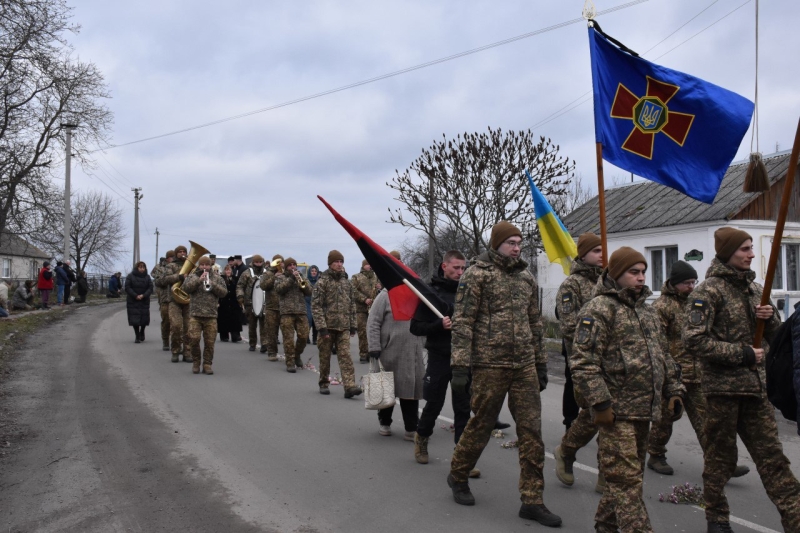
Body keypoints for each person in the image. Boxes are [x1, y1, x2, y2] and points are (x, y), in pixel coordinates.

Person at [684, 228, 800, 533]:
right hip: (722, 391)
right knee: (720, 459)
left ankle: (795, 519)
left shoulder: (755, 290)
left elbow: (777, 339)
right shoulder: (707, 292)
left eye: (751, 248)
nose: (750, 254)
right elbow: (694, 342)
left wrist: (770, 318)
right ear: (727, 253)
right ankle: (717, 518)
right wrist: (743, 354)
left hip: (756, 392)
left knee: (773, 459)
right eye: (744, 249)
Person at [446, 221, 560, 527]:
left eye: (519, 241)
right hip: (489, 364)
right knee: (481, 424)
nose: (516, 246)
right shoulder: (477, 274)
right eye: (510, 241)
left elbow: (535, 324)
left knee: (532, 432)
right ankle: (458, 475)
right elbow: (463, 321)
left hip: (523, 366)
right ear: (496, 244)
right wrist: (459, 366)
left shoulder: (525, 277)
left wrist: (540, 364)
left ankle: (532, 500)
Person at [571, 247, 685, 533]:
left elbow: (663, 356)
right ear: (616, 274)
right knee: (627, 482)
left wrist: (674, 390)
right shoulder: (599, 309)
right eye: (633, 272)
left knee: (625, 480)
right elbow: (583, 361)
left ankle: (605, 526)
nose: (640, 278)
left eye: (643, 272)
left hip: (643, 411)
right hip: (615, 412)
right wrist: (599, 403)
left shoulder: (646, 312)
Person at [648, 261, 750, 479]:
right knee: (666, 419)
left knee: (708, 423)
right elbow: (657, 342)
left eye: (694, 282)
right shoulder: (662, 307)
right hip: (672, 375)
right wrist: (666, 373)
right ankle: (656, 455)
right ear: (674, 284)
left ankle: (721, 464)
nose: (691, 286)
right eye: (686, 282)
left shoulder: (698, 303)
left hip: (698, 374)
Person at [554, 233, 604, 489]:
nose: (601, 254)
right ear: (583, 254)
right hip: (583, 356)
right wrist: (595, 343)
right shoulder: (571, 285)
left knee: (608, 416)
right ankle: (567, 443)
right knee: (590, 410)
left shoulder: (610, 280)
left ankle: (607, 475)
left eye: (603, 249)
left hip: (611, 360)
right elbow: (569, 325)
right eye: (596, 250)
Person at [368, 250, 424, 439]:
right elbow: (373, 322)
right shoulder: (385, 296)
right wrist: (374, 347)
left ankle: (411, 428)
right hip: (389, 352)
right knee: (387, 389)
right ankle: (385, 423)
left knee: (411, 392)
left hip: (412, 352)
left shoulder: (416, 294)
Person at [311, 250, 361, 398]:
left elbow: (352, 304)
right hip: (327, 327)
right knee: (325, 357)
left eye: (341, 262)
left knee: (346, 357)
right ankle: (323, 382)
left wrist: (353, 325)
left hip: (343, 326)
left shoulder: (347, 282)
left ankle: (350, 386)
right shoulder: (322, 282)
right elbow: (316, 306)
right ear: (330, 263)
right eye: (336, 262)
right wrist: (321, 327)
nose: (339, 265)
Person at [183, 256, 227, 374]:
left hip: (211, 315)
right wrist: (199, 280)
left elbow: (223, 293)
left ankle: (207, 364)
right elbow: (186, 288)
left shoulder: (217, 277)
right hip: (195, 315)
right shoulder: (192, 276)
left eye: (206, 265)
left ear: (210, 266)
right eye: (202, 265)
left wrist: (211, 284)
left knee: (209, 342)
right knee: (193, 339)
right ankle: (196, 362)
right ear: (199, 265)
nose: (204, 267)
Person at [157, 245, 198, 363]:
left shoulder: (192, 266)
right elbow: (161, 280)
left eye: (184, 251)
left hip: (188, 300)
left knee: (188, 328)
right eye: (179, 252)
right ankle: (175, 351)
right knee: (175, 327)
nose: (182, 253)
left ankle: (187, 352)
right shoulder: (171, 266)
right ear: (176, 254)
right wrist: (178, 277)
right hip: (174, 300)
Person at [275, 257, 312, 372]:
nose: (293, 267)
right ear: (285, 267)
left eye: (294, 265)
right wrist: (291, 278)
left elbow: (309, 291)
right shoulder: (280, 277)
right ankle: (290, 362)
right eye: (290, 265)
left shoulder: (301, 277)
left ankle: (297, 355)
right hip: (287, 312)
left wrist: (301, 280)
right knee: (288, 339)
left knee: (304, 336)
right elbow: (279, 290)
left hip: (301, 311)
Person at [236, 254, 267, 353]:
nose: (258, 264)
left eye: (260, 262)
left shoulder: (267, 273)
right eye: (256, 262)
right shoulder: (247, 273)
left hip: (264, 303)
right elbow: (240, 286)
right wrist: (240, 296)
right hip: (250, 302)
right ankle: (252, 343)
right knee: (252, 325)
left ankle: (264, 344)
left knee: (264, 325)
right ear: (253, 263)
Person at [351, 260, 378, 363]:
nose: (369, 266)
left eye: (370, 264)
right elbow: (353, 290)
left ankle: (372, 352)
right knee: (362, 332)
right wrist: (364, 299)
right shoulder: (356, 277)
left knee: (373, 332)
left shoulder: (376, 277)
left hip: (374, 308)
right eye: (367, 264)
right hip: (361, 309)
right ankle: (363, 353)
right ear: (363, 266)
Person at [259, 254, 283, 359]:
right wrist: (274, 277)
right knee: (271, 332)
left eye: (281, 262)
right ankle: (272, 352)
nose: (280, 264)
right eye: (277, 262)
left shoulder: (286, 273)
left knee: (287, 334)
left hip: (284, 307)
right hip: (271, 307)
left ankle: (291, 355)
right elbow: (263, 286)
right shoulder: (267, 274)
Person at [125, 261, 154, 343]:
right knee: (135, 319)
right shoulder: (130, 276)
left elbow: (150, 288)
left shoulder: (147, 277)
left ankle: (142, 331)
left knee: (144, 318)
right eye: (140, 267)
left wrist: (143, 295)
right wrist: (135, 295)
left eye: (143, 267)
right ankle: (137, 335)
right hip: (133, 300)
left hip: (144, 300)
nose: (142, 269)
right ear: (136, 268)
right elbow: (127, 287)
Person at [151, 251, 174, 351]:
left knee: (177, 323)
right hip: (165, 297)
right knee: (166, 321)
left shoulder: (177, 266)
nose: (172, 259)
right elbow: (155, 276)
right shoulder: (161, 267)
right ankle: (165, 340)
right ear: (167, 258)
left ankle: (176, 343)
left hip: (176, 299)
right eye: (171, 257)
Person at [217, 263, 243, 343]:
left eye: (229, 270)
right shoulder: (221, 279)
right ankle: (224, 336)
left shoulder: (235, 278)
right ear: (224, 271)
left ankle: (236, 335)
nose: (228, 271)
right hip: (224, 301)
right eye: (226, 270)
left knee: (235, 319)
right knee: (223, 319)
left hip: (233, 301)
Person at [305, 265, 320, 344]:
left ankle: (315, 339)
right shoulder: (306, 280)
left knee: (316, 321)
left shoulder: (319, 281)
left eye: (315, 271)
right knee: (308, 320)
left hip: (316, 303)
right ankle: (306, 337)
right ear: (309, 272)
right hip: (307, 302)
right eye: (312, 271)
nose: (314, 272)